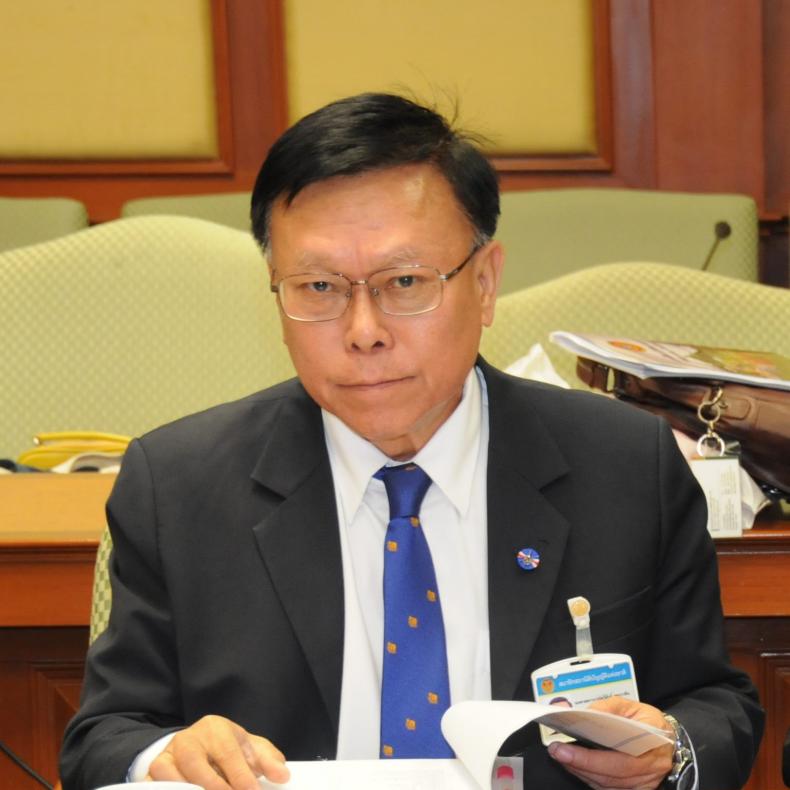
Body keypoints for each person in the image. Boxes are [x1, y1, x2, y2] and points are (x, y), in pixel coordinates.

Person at [60, 93, 763, 790]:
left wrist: (670, 750)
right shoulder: (178, 484)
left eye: (404, 281)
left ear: (484, 283)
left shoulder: (625, 465)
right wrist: (166, 755)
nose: (363, 331)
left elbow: (715, 704)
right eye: (318, 286)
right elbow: (105, 736)